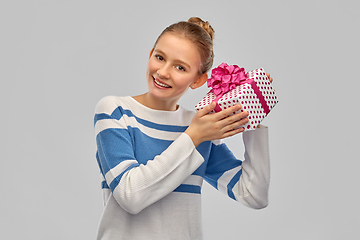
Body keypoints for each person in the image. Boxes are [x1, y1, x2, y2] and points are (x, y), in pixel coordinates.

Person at [94, 17, 273, 240]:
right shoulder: (115, 110)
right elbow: (130, 196)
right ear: (150, 55)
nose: (163, 72)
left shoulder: (199, 126)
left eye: (180, 67)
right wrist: (193, 136)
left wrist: (251, 112)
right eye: (160, 58)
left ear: (197, 80)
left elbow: (254, 195)